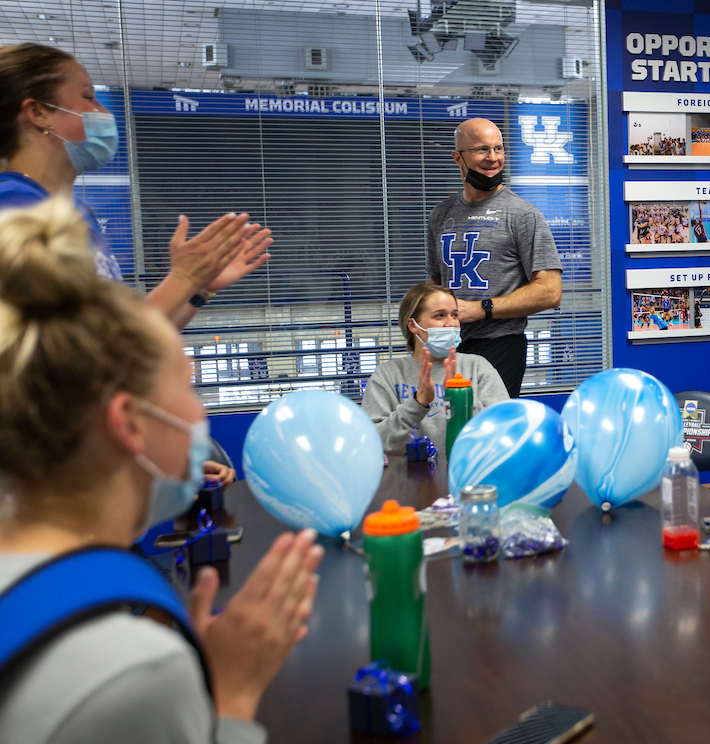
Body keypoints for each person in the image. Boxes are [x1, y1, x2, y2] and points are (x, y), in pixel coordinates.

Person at [0, 197, 323, 743]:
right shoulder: (135, 671)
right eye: (188, 386)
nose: (200, 413)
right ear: (130, 422)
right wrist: (229, 695)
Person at [0, 43, 272, 330]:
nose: (102, 111)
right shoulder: (13, 209)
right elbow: (91, 347)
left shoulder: (74, 212)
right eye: (88, 96)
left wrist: (198, 288)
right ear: (39, 113)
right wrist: (183, 279)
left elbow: (132, 343)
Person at [426, 118, 562, 398]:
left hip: (500, 344)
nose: (493, 159)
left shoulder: (523, 215)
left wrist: (479, 309)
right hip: (449, 344)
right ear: (458, 157)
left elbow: (550, 291)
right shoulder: (441, 214)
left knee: (488, 430)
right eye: (482, 150)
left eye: (498, 149)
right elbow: (436, 283)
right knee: (446, 424)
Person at [362, 282, 508, 456]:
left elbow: (503, 433)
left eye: (454, 315)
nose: (451, 324)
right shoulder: (388, 375)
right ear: (413, 325)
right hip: (407, 480)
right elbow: (372, 442)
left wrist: (462, 398)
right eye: (439, 316)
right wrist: (418, 403)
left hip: (468, 476)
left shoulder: (478, 367)